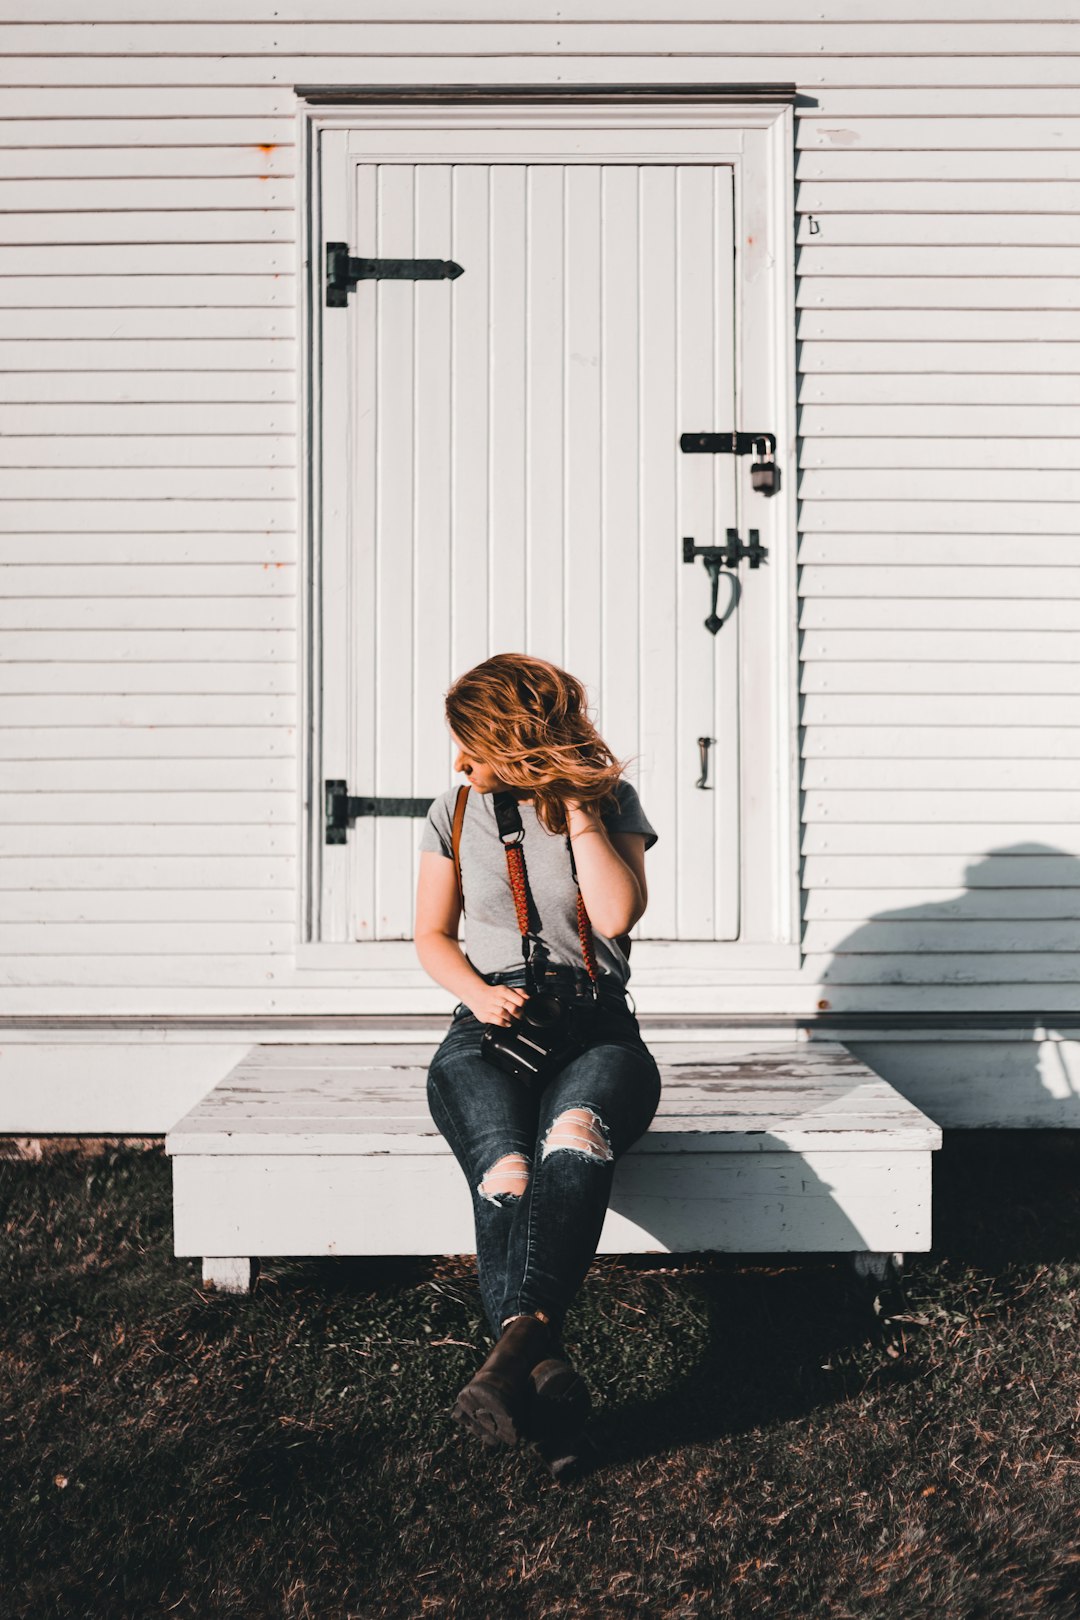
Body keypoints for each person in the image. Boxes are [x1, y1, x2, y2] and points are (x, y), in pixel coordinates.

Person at [413, 652, 663, 1480]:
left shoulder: (609, 801)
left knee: (574, 1138)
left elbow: (619, 913)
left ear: (515, 740)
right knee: (509, 1173)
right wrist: (479, 996)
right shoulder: (453, 808)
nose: (459, 761)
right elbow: (432, 937)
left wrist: (581, 806)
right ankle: (544, 1375)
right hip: (489, 1025)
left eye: (472, 743)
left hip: (595, 1026)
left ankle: (521, 1364)